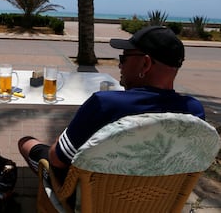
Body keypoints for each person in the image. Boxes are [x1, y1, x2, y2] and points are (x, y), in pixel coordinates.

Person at [18, 26, 205, 182]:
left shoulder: (106, 104)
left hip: (91, 199)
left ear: (145, 65)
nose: (120, 65)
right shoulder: (194, 112)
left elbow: (58, 160)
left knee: (26, 142)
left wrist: (64, 137)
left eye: (124, 58)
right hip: (157, 199)